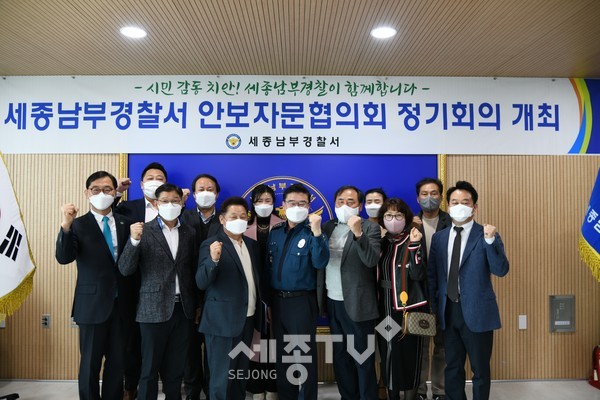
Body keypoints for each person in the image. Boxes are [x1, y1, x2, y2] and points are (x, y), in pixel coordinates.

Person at [55, 171, 136, 400]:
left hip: (122, 304)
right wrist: (66, 226)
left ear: (115, 192)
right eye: (96, 189)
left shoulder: (126, 223)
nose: (102, 193)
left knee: (117, 363)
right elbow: (64, 258)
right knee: (90, 363)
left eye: (107, 189)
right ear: (87, 193)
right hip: (91, 305)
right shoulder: (78, 225)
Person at [428, 181, 509, 400]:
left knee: (480, 369)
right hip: (448, 311)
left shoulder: (486, 234)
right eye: (454, 202)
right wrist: (435, 309)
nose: (459, 206)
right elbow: (433, 276)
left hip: (478, 312)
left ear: (474, 207)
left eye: (465, 202)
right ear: (448, 206)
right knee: (452, 366)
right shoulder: (439, 238)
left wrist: (490, 241)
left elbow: (501, 270)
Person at [118, 183, 198, 400]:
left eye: (175, 201)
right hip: (152, 310)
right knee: (149, 369)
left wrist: (196, 305)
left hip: (183, 309)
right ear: (155, 204)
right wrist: (134, 241)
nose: (170, 205)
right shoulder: (143, 230)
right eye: (165, 201)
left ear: (182, 203)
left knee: (176, 369)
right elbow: (125, 269)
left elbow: (191, 269)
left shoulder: (189, 232)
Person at [113, 161, 171, 400]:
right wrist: (116, 193)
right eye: (150, 178)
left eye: (160, 178)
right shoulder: (128, 207)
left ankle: (166, 386)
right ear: (141, 184)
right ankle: (130, 386)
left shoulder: (173, 208)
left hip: (163, 286)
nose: (155, 181)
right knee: (131, 339)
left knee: (163, 342)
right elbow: (107, 217)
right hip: (131, 283)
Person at [317, 185, 381, 400]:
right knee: (341, 357)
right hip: (333, 301)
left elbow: (371, 260)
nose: (345, 205)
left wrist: (358, 233)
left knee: (363, 358)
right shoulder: (327, 227)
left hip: (358, 304)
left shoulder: (370, 228)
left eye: (350, 202)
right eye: (340, 201)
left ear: (359, 206)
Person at [267, 183, 330, 400]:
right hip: (278, 302)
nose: (296, 207)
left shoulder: (313, 233)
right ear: (283, 205)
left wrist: (317, 232)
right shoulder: (276, 232)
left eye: (302, 203)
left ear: (309, 206)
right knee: (283, 356)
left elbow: (320, 262)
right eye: (292, 203)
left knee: (303, 356)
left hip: (302, 302)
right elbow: (268, 267)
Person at [197, 196, 263, 400]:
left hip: (247, 318)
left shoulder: (251, 245)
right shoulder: (211, 244)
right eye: (233, 216)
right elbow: (201, 282)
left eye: (243, 216)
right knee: (221, 378)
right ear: (222, 219)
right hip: (222, 322)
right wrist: (213, 260)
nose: (239, 220)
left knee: (239, 375)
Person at [376, 198, 426, 400]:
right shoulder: (380, 241)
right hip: (384, 306)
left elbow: (418, 274)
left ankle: (411, 396)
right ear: (382, 219)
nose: (393, 219)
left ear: (406, 218)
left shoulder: (414, 237)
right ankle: (392, 395)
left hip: (409, 307)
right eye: (388, 215)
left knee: (411, 353)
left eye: (398, 215)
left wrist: (414, 246)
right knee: (389, 352)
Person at [181, 173, 222, 400]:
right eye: (201, 189)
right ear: (194, 194)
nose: (206, 193)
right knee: (190, 349)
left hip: (216, 292)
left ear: (217, 193)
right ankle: (192, 392)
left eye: (210, 189)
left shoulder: (225, 219)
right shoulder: (182, 216)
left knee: (215, 350)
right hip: (187, 292)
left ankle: (212, 390)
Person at [244, 184, 284, 400]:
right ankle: (257, 388)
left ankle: (274, 387)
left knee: (274, 342)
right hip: (252, 293)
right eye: (259, 201)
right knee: (255, 342)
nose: (264, 205)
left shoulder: (283, 226)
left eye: (268, 200)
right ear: (252, 203)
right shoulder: (244, 227)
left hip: (277, 293)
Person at [412, 178, 452, 400]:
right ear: (418, 198)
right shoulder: (410, 223)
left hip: (445, 294)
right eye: (424, 194)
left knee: (443, 346)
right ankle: (419, 391)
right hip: (418, 294)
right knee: (420, 347)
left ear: (441, 196)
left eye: (434, 193)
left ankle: (440, 391)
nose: (429, 198)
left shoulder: (452, 221)